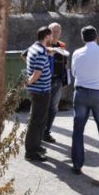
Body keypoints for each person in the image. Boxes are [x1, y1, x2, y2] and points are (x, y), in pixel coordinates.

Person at [70, 25, 99, 175]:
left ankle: (77, 164)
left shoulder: (77, 53)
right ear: (96, 36)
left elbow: (74, 72)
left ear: (83, 38)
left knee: (78, 129)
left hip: (81, 92)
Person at [24, 26, 53, 162]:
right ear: (47, 36)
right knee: (36, 122)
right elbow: (37, 73)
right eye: (51, 36)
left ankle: (36, 146)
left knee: (39, 121)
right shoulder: (41, 52)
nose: (52, 38)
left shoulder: (33, 48)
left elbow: (23, 56)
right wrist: (28, 82)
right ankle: (31, 151)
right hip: (41, 91)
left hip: (38, 90)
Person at [43, 22, 69, 143]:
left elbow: (65, 64)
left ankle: (46, 132)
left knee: (53, 108)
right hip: (44, 82)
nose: (56, 34)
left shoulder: (62, 46)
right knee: (42, 108)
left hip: (57, 81)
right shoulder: (42, 45)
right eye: (53, 31)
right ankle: (37, 132)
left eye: (58, 31)